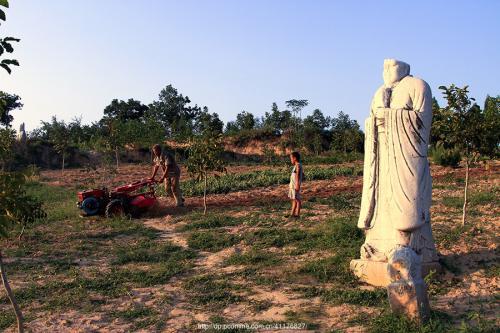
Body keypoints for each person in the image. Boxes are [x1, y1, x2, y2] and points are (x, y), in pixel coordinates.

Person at [287, 151, 303, 218]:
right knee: (294, 200)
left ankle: (297, 215)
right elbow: (301, 174)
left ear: (295, 158)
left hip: (295, 185)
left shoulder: (297, 165)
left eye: (291, 158)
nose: (291, 160)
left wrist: (297, 184)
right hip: (293, 185)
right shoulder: (298, 165)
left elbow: (297, 175)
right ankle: (292, 214)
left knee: (297, 200)